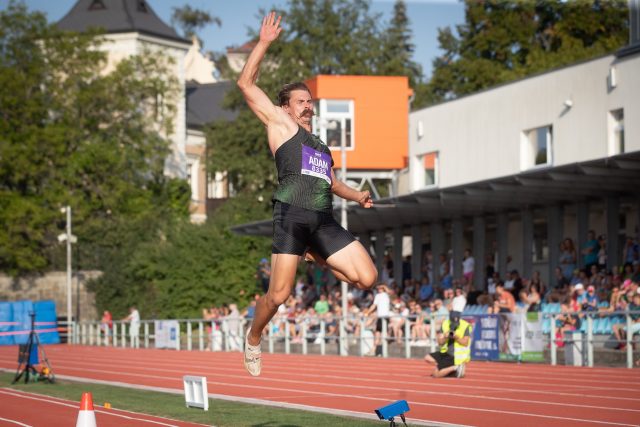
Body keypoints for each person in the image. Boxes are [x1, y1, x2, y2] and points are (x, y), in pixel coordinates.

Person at [238, 12, 377, 376]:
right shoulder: (281, 125)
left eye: (310, 101)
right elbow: (246, 84)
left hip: (323, 219)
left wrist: (358, 195)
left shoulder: (322, 147)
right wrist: (264, 42)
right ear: (286, 107)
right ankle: (253, 337)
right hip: (292, 215)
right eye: (301, 101)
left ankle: (314, 253)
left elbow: (333, 184)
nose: (308, 105)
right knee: (278, 296)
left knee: (367, 278)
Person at [424, 311, 472, 378]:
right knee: (427, 358)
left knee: (436, 375)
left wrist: (456, 337)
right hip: (445, 352)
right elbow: (440, 343)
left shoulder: (465, 325)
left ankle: (456, 367)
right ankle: (450, 369)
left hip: (455, 355)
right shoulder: (445, 324)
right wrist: (445, 337)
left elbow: (465, 343)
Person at [363, 283, 391, 356]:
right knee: (377, 333)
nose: (379, 289)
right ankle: (374, 350)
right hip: (380, 317)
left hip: (385, 317)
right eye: (378, 288)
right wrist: (368, 312)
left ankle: (383, 350)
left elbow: (391, 292)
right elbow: (374, 305)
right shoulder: (377, 296)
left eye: (380, 288)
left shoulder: (386, 294)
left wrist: (384, 286)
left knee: (384, 334)